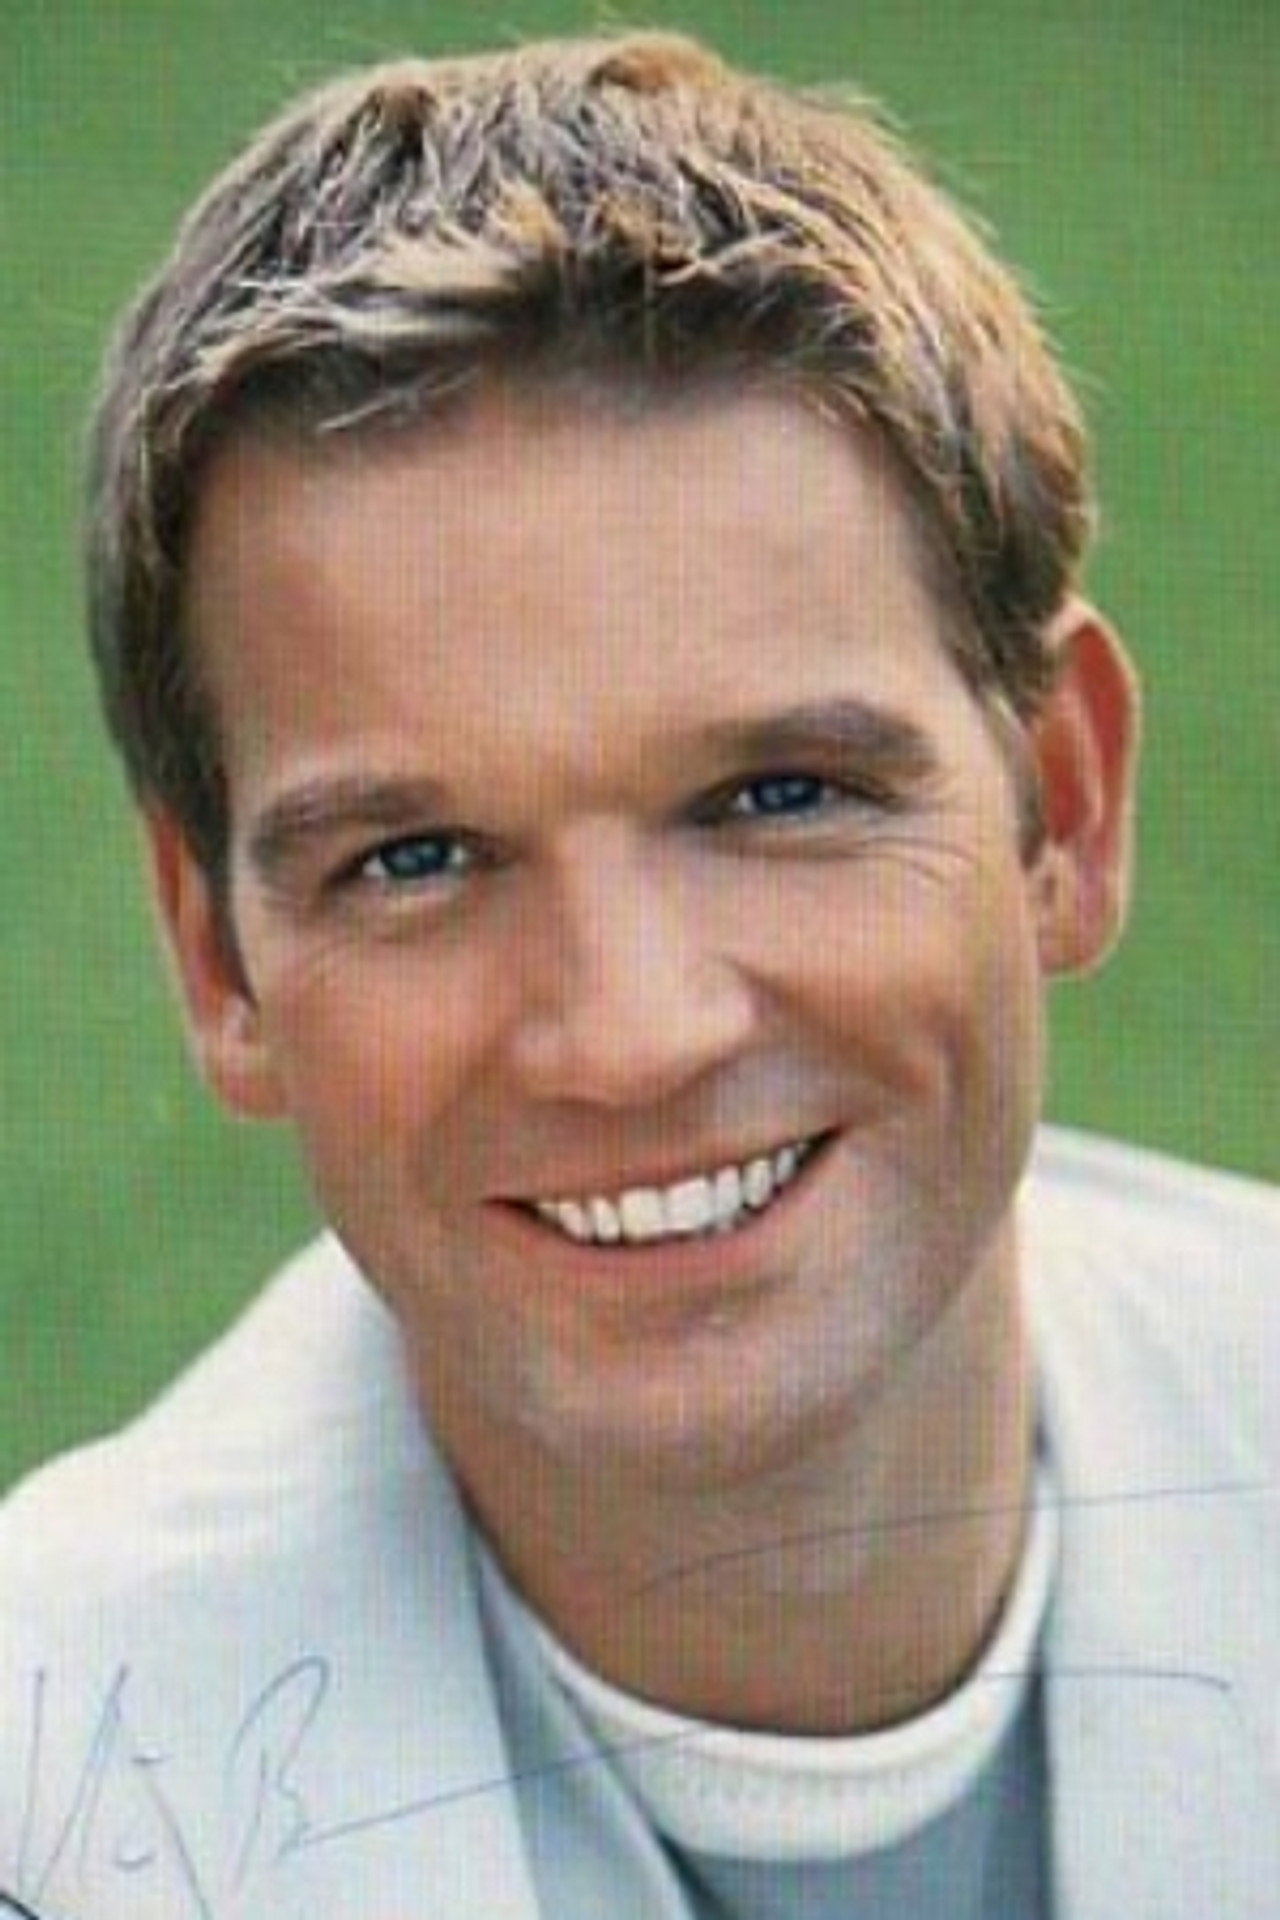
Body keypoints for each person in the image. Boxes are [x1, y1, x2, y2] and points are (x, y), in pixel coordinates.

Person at [1, 30, 1276, 1920]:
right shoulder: (53, 1809)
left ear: (1062, 807)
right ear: (220, 959)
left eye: (781, 795)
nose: (628, 1036)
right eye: (415, 860)